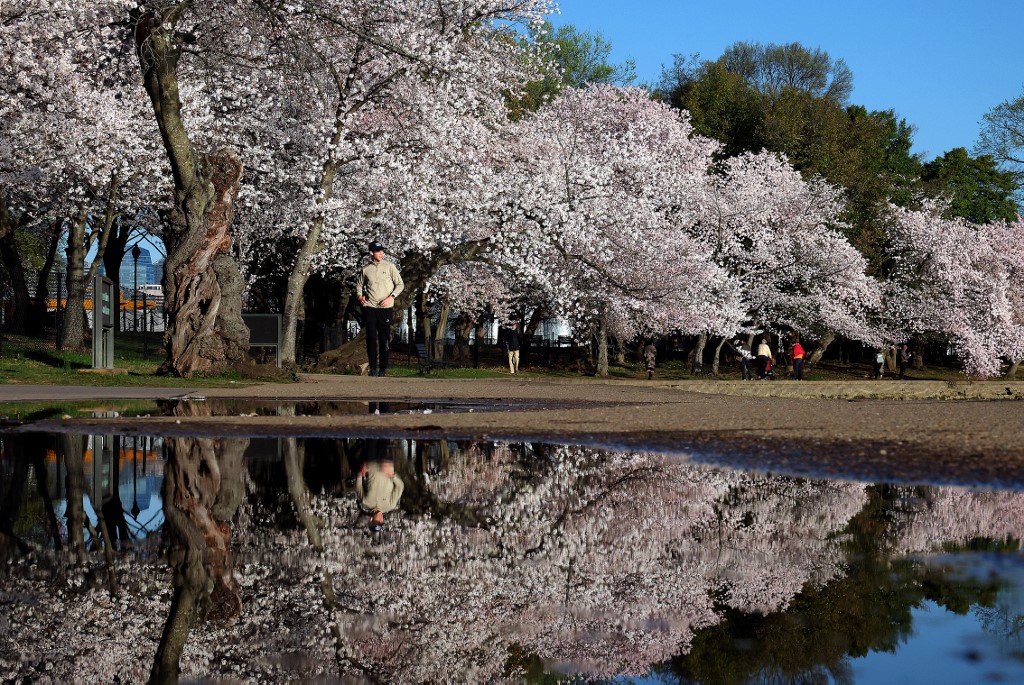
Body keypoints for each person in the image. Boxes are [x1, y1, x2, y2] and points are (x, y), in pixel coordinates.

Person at [356, 240, 404, 377]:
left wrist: (392, 297)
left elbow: (400, 284)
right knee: (371, 337)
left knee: (384, 338)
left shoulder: (390, 267)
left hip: (386, 308)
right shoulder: (366, 269)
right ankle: (373, 368)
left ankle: (383, 368)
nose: (382, 254)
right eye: (379, 251)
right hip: (371, 307)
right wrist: (360, 297)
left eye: (383, 251)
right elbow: (359, 285)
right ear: (372, 253)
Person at [356, 459, 404, 532]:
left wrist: (361, 473)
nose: (381, 519)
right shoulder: (390, 505)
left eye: (378, 521)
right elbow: (400, 486)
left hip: (370, 462)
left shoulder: (365, 502)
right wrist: (392, 475)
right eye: (381, 522)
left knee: (370, 447)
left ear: (371, 519)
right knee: (384, 447)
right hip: (386, 462)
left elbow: (358, 485)